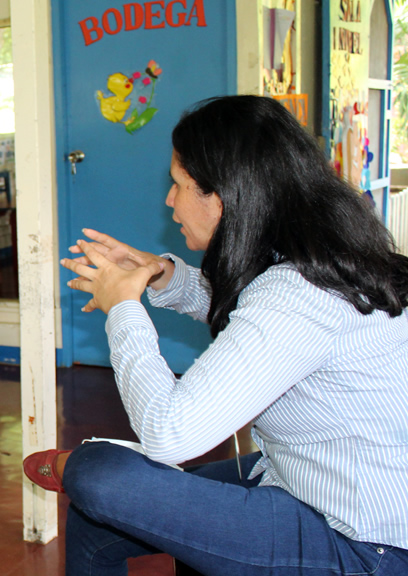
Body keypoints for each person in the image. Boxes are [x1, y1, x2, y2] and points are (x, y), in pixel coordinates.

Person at [24, 95, 408, 575]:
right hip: (298, 480)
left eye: (179, 185)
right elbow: (259, 323)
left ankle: (78, 467)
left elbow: (169, 434)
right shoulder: (313, 261)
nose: (169, 200)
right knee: (96, 521)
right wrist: (162, 275)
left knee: (100, 477)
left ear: (223, 197)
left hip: (361, 543)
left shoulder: (299, 293)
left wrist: (122, 308)